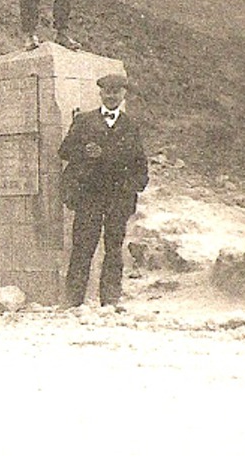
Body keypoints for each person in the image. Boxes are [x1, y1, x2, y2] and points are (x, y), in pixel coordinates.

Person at [59, 73, 149, 310]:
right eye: (107, 91)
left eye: (116, 92)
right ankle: (73, 300)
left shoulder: (131, 126)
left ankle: (110, 299)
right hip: (90, 195)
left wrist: (132, 187)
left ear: (123, 95)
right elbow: (64, 151)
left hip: (118, 198)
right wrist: (83, 151)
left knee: (114, 249)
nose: (111, 96)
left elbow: (140, 164)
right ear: (100, 94)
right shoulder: (84, 121)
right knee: (82, 247)